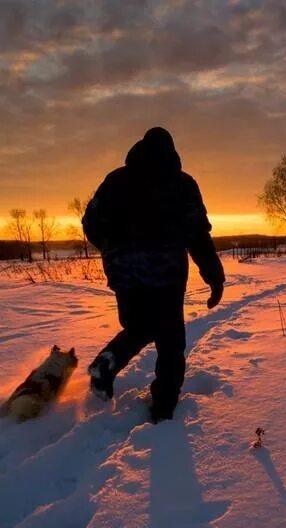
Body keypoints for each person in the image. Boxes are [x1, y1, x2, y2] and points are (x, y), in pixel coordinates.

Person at [82, 127, 225, 423]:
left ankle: (106, 365)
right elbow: (197, 235)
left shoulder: (116, 180)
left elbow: (91, 222)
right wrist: (214, 276)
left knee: (140, 327)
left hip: (124, 271)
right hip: (165, 272)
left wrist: (113, 250)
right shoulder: (182, 184)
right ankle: (163, 409)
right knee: (170, 338)